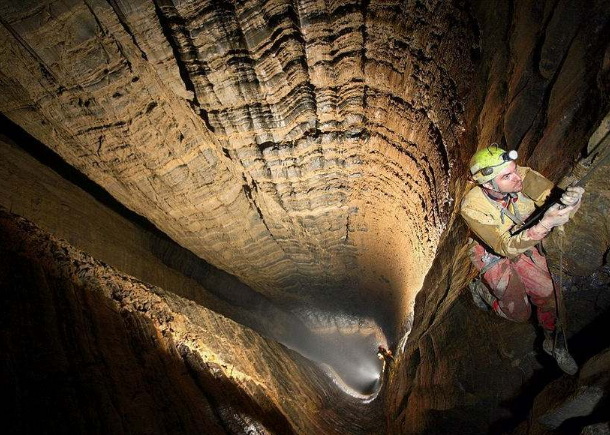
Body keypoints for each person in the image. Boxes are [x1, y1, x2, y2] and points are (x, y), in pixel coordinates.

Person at [460, 144, 584, 375]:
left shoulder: (524, 177)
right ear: (488, 184)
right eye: (507, 176)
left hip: (524, 239)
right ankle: (481, 290)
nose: (517, 178)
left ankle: (553, 341)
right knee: (519, 313)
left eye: (514, 169)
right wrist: (545, 224)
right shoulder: (472, 207)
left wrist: (571, 202)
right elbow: (504, 247)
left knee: (550, 293)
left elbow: (556, 202)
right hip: (491, 249)